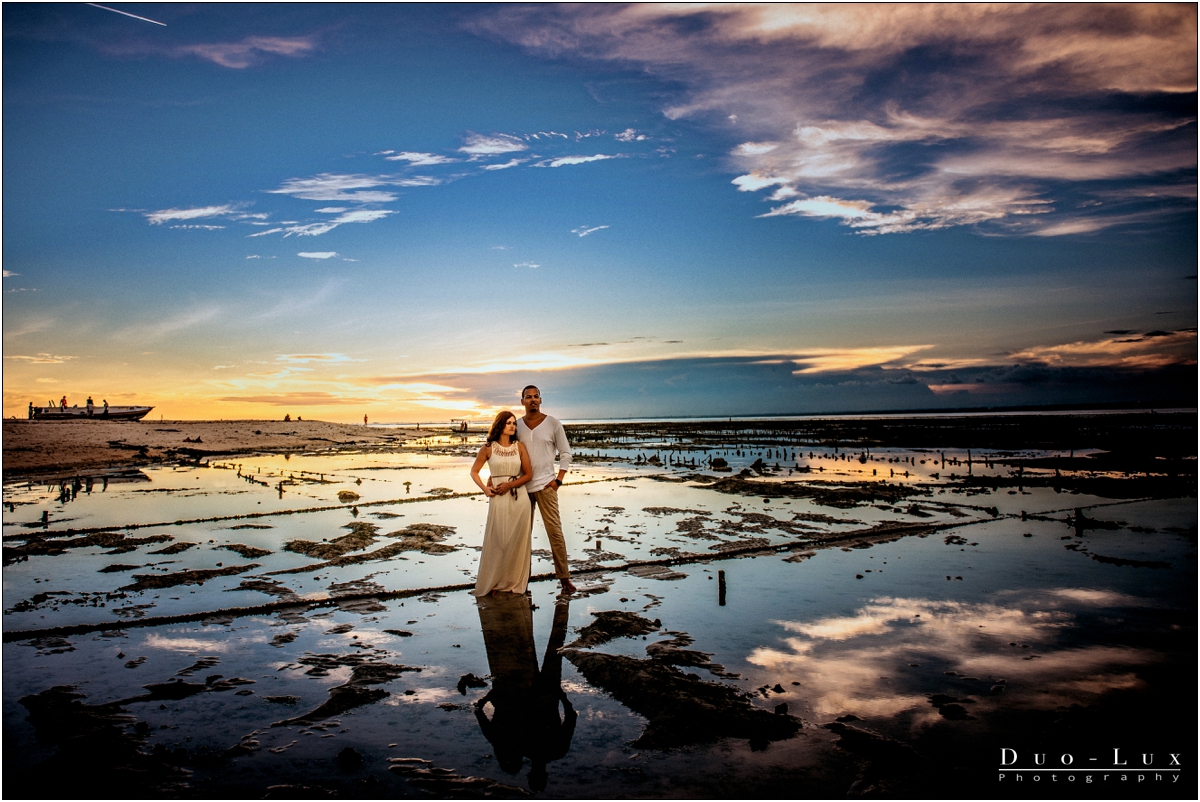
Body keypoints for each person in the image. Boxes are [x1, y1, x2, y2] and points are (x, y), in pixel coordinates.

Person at [516, 386, 576, 595]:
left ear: (541, 400)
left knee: (555, 533)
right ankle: (521, 580)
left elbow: (566, 453)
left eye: (536, 397)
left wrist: (558, 480)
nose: (532, 400)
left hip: (546, 486)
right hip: (522, 488)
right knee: (523, 536)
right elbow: (508, 453)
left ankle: (564, 579)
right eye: (528, 397)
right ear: (522, 401)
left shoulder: (553, 423)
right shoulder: (516, 426)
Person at [470, 410, 534, 596]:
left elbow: (529, 475)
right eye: (508, 423)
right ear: (500, 425)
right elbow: (474, 471)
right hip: (497, 498)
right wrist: (485, 488)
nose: (513, 426)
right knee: (499, 539)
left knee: (517, 541)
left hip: (519, 498)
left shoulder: (519, 447)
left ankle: (514, 583)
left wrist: (510, 485)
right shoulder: (488, 448)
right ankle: (496, 582)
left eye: (514, 423)